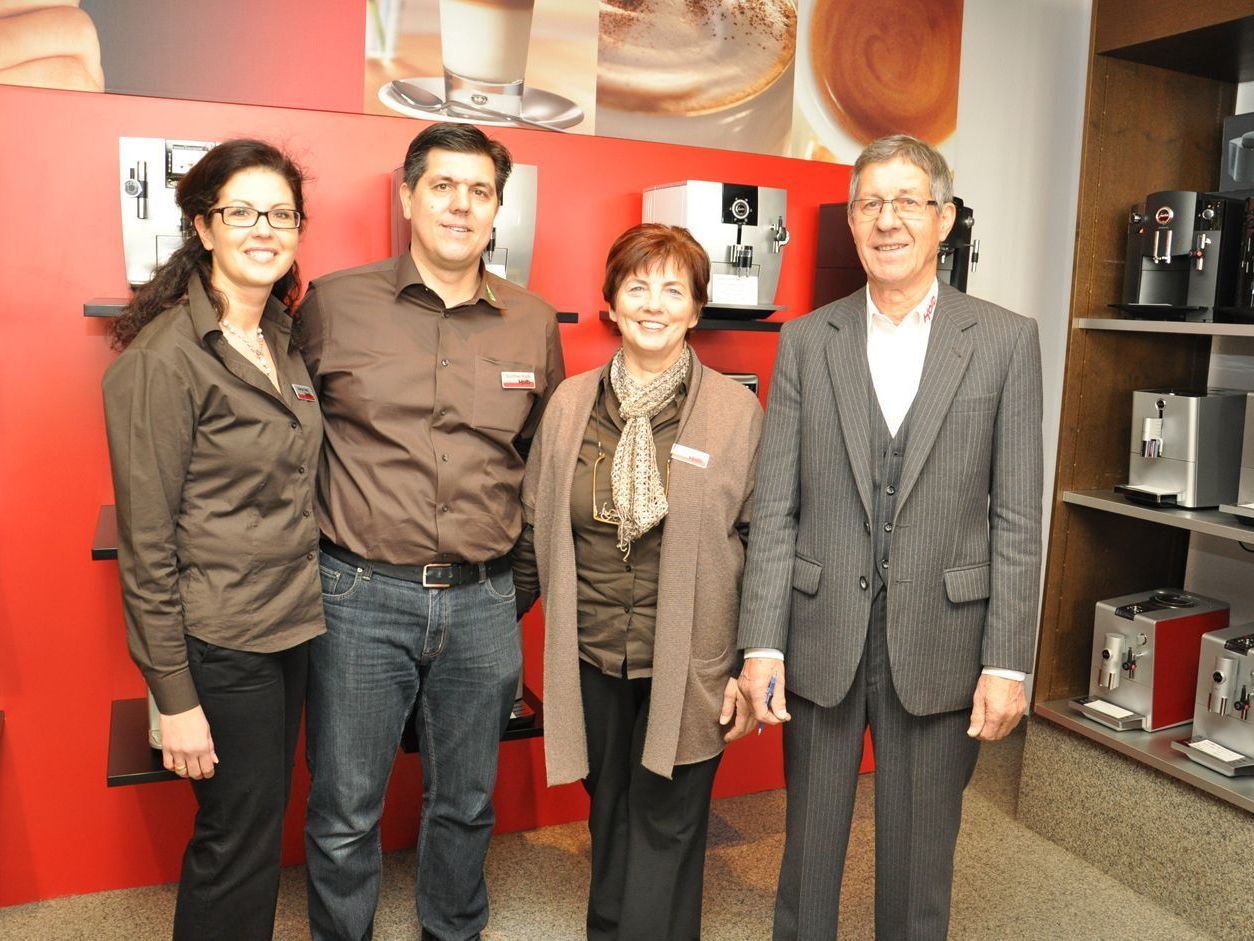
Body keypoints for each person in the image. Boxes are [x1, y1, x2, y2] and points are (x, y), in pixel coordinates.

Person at [738, 134, 1043, 940]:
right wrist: (761, 644)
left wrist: (1007, 661)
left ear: (942, 219)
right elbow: (776, 507)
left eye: (908, 201)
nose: (888, 220)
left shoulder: (1007, 341)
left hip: (943, 639)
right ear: (850, 219)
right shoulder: (808, 340)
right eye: (870, 203)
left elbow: (1016, 517)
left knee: (916, 876)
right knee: (806, 860)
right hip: (821, 632)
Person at [299, 121, 565, 941]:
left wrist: (513, 587)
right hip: (357, 597)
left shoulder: (532, 320)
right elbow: (286, 441)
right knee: (346, 807)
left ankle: (453, 930)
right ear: (407, 195)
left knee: (467, 802)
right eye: (442, 186)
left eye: (479, 190)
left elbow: (541, 462)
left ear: (496, 210)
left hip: (484, 603)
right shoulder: (334, 304)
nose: (460, 204)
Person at [513, 223, 761, 941]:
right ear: (612, 305)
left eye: (672, 290)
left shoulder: (735, 413)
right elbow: (534, 525)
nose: (654, 303)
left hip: (688, 658)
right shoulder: (570, 407)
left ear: (695, 309)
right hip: (590, 653)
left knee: (670, 816)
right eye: (637, 287)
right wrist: (491, 631)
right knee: (610, 806)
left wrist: (751, 663)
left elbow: (760, 540)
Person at [102, 139, 322, 940]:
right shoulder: (164, 361)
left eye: (282, 213)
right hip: (222, 645)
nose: (264, 228)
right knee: (236, 841)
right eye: (242, 212)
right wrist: (176, 697)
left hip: (292, 627)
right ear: (203, 225)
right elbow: (147, 545)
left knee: (257, 829)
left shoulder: (283, 341)